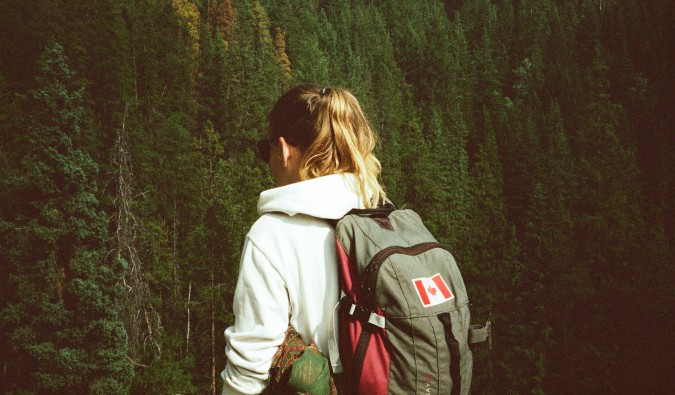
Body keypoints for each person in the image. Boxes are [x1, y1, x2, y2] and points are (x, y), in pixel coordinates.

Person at [220, 84, 386, 394]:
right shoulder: (380, 217)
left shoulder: (271, 235)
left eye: (264, 149)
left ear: (284, 150)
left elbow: (248, 367)